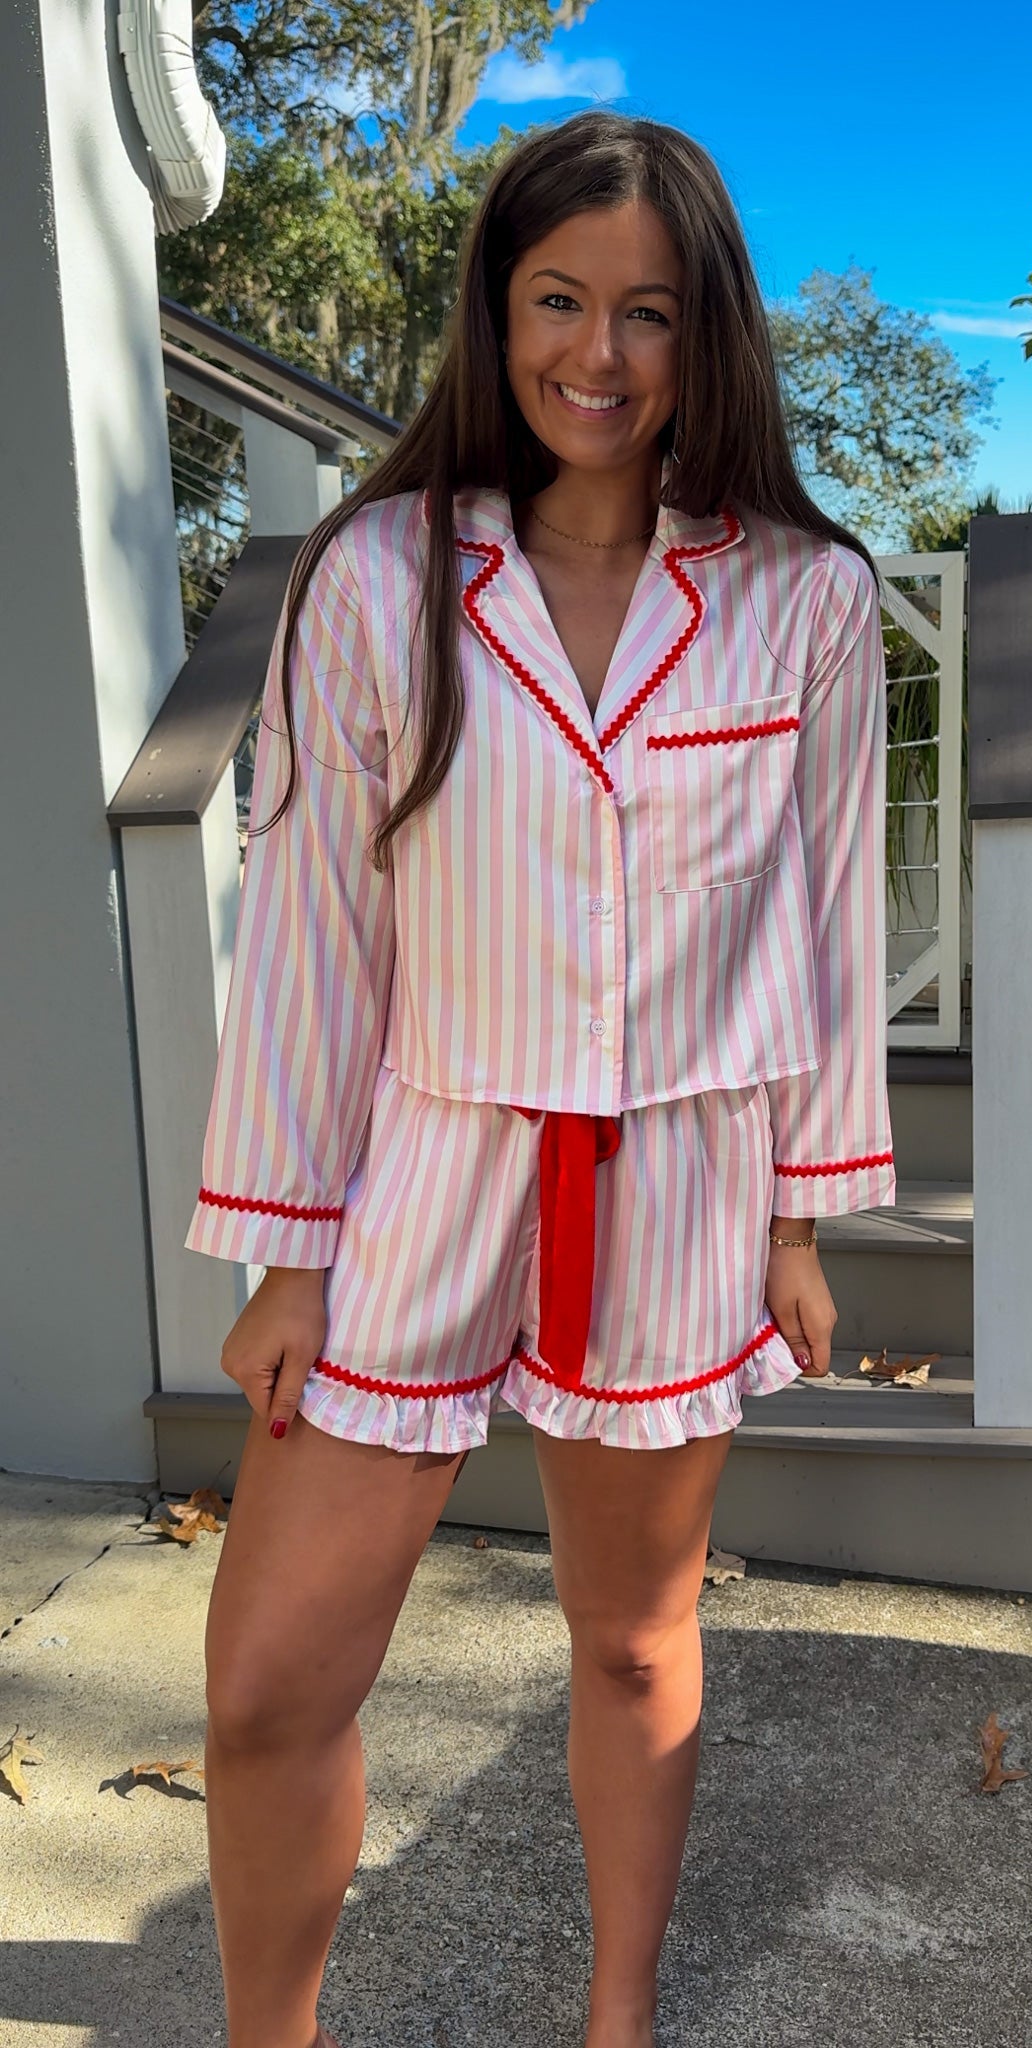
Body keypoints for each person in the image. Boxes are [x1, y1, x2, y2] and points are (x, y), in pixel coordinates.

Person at [183, 106, 896, 2048]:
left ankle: (618, 2015)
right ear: (498, 314)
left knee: (634, 1637)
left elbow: (829, 922)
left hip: (680, 1177)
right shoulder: (380, 575)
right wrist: (290, 1253)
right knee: (266, 1684)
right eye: (558, 299)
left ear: (705, 333)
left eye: (646, 312)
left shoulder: (806, 597)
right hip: (417, 1170)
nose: (598, 353)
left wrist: (800, 1219)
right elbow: (319, 924)